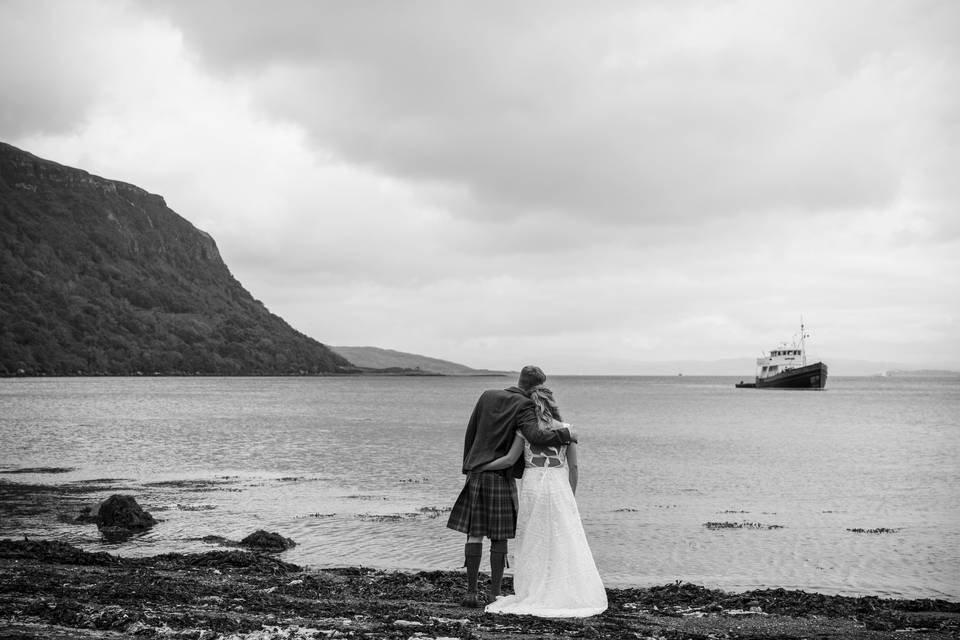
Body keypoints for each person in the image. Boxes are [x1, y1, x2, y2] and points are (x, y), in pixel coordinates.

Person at [446, 365, 576, 608]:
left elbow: (470, 433)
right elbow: (535, 436)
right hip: (499, 475)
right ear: (536, 387)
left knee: (474, 533)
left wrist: (468, 466)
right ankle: (494, 594)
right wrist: (566, 434)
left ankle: (471, 593)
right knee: (499, 535)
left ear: (519, 379)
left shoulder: (487, 395)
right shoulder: (524, 405)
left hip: (476, 471)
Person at [481, 381, 607, 618]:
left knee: (534, 539)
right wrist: (571, 496)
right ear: (552, 404)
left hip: (533, 486)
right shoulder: (566, 430)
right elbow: (574, 468)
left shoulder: (525, 431)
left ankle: (533, 588)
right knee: (563, 538)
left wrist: (481, 465)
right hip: (558, 487)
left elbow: (509, 460)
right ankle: (564, 587)